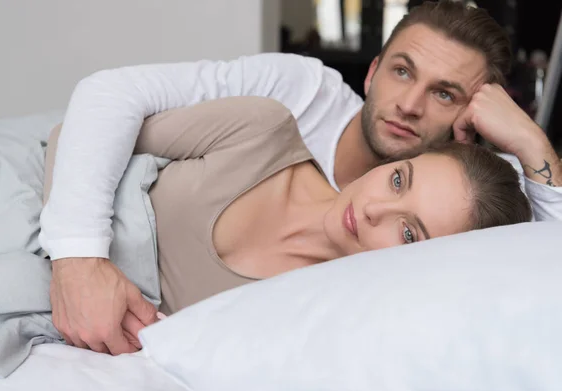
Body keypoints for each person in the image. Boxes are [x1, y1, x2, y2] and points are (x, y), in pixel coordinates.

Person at [39, 1, 562, 355]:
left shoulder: (459, 200)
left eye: (444, 94)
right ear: (373, 72)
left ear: (467, 128)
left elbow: (544, 264)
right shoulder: (298, 94)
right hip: (78, 165)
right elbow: (110, 98)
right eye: (402, 72)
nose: (408, 105)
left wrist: (533, 143)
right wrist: (79, 259)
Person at [43, 96, 532, 352]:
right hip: (13, 190)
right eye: (399, 181)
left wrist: (537, 149)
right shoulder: (263, 130)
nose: (373, 210)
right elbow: (73, 137)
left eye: (408, 233)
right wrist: (77, 260)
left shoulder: (299, 323)